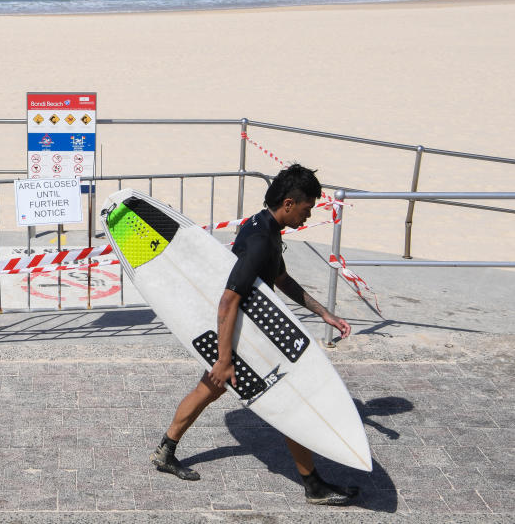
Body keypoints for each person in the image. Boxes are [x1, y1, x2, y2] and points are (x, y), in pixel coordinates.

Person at [150, 164, 360, 506]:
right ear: (289, 203)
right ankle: (313, 485)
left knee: (210, 389)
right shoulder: (262, 239)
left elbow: (282, 279)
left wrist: (324, 313)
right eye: (307, 208)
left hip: (247, 332)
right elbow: (228, 299)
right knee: (288, 400)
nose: (307, 217)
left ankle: (165, 451)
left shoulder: (263, 227)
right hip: (243, 336)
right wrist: (224, 357)